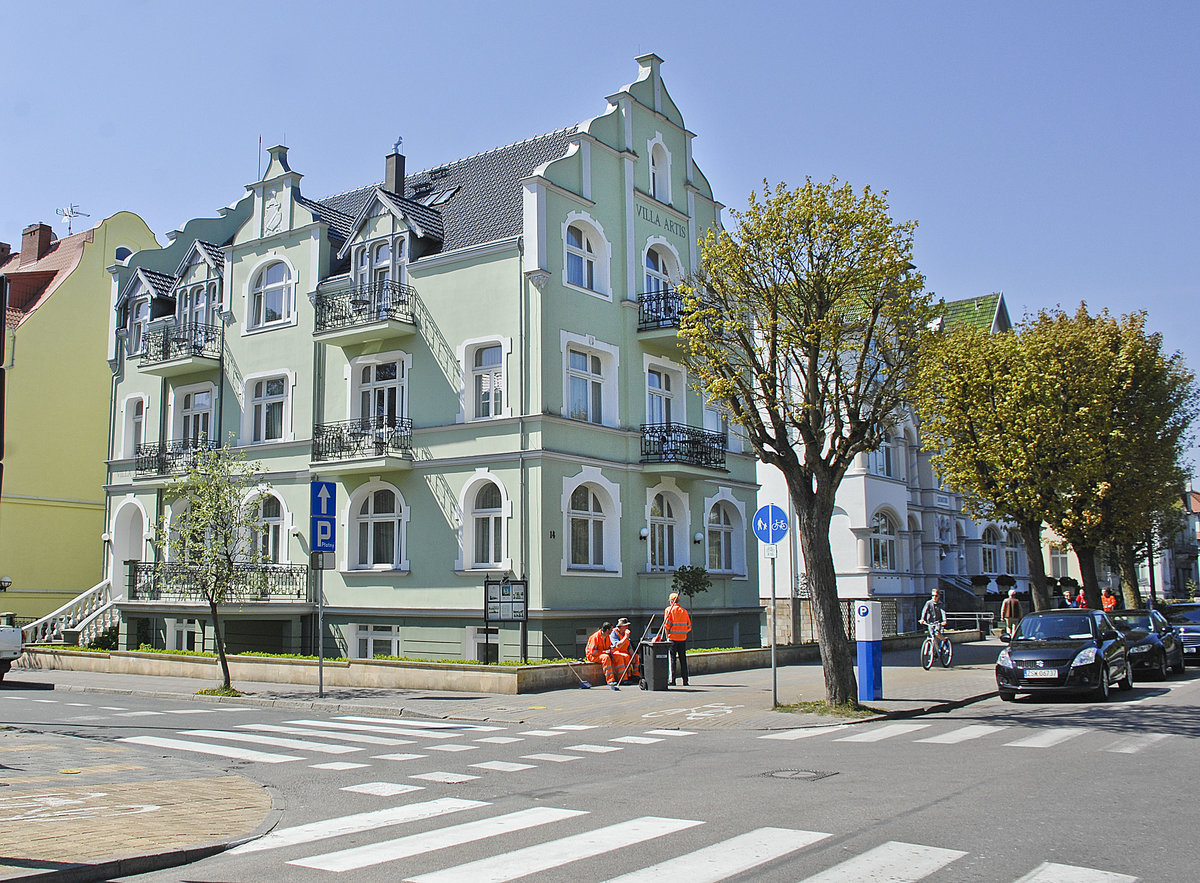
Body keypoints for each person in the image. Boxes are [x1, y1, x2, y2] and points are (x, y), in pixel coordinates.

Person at [662, 592, 692, 687]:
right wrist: (682, 632)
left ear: (671, 601)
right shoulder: (684, 611)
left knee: (672, 660)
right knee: (683, 659)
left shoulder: (669, 610)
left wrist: (667, 636)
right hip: (682, 638)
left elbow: (667, 626)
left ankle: (672, 680)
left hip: (672, 639)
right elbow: (689, 626)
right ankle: (685, 680)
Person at [585, 621, 619, 690]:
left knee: (617, 656)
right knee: (605, 658)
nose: (612, 631)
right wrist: (605, 652)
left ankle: (623, 678)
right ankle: (610, 680)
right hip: (592, 656)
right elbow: (593, 652)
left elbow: (609, 647)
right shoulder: (595, 637)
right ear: (607, 630)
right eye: (611, 630)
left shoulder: (607, 637)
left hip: (601, 654)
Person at [609, 617, 641, 683]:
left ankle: (634, 675)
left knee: (636, 656)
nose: (627, 627)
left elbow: (629, 647)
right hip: (615, 652)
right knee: (623, 657)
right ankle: (623, 678)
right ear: (620, 627)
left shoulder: (625, 634)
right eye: (625, 626)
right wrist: (626, 637)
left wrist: (633, 656)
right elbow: (617, 645)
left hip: (624, 652)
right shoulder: (614, 633)